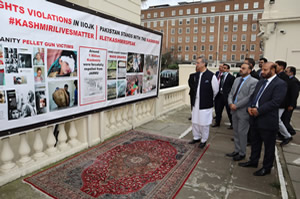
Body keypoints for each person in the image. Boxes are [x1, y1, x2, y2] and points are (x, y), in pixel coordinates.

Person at [239, 62, 287, 176]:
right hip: (254, 118)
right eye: (262, 70)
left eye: (265, 70)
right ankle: (253, 161)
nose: (262, 72)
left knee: (268, 146)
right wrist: (250, 107)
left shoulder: (280, 84)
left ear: (273, 70)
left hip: (267, 120)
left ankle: (267, 167)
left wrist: (259, 110)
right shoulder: (261, 82)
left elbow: (275, 102)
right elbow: (253, 97)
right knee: (255, 142)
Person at [226, 63, 258, 161]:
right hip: (233, 110)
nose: (241, 69)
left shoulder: (254, 81)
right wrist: (230, 103)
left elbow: (250, 97)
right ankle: (236, 150)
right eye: (241, 67)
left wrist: (237, 105)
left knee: (242, 132)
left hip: (243, 111)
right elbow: (231, 93)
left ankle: (242, 153)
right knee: (236, 131)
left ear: (249, 70)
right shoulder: (236, 80)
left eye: (243, 68)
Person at [188, 57, 219, 148]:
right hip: (195, 103)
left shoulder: (211, 76)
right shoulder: (196, 75)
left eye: (198, 63)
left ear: (203, 64)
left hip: (205, 104)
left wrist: (208, 98)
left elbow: (215, 90)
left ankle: (204, 139)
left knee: (204, 123)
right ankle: (196, 137)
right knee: (195, 121)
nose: (196, 64)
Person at [212, 63, 235, 128]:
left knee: (229, 111)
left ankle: (232, 124)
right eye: (223, 68)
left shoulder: (231, 77)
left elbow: (232, 87)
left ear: (228, 70)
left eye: (225, 68)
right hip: (219, 96)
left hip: (227, 96)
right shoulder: (220, 76)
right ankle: (217, 122)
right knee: (218, 110)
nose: (223, 69)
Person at [275, 60, 293, 146]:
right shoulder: (278, 76)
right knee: (275, 119)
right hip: (277, 102)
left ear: (281, 67)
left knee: (277, 120)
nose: (275, 67)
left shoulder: (284, 77)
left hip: (281, 103)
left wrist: (290, 104)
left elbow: (289, 92)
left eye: (276, 66)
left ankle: (287, 136)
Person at [282, 66, 299, 136]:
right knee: (283, 119)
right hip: (286, 104)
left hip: (290, 105)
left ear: (291, 73)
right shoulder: (288, 80)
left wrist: (291, 105)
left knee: (286, 120)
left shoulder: (294, 81)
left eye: (286, 71)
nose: (285, 73)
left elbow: (294, 94)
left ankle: (291, 132)